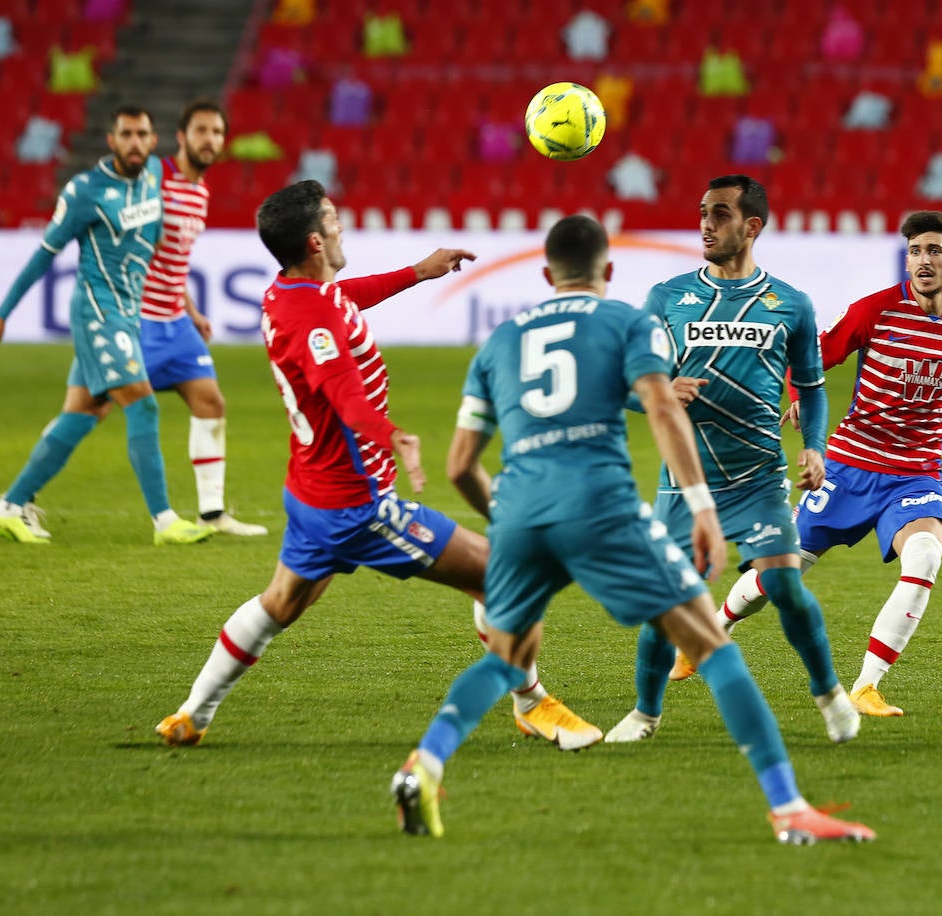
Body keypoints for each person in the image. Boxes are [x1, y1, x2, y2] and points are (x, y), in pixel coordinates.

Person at [390, 214, 874, 845]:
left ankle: (423, 764)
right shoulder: (625, 321)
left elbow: (459, 465)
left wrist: (505, 519)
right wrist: (701, 507)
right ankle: (788, 808)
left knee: (507, 657)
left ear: (544, 274)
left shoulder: (501, 339)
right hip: (602, 510)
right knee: (710, 645)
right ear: (608, 272)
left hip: (522, 514)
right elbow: (664, 409)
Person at [156, 181, 601, 750]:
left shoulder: (289, 294)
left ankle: (193, 713)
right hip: (358, 505)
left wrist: (417, 271)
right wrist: (391, 435)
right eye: (335, 220)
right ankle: (532, 704)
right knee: (500, 576)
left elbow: (345, 299)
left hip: (310, 493)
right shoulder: (313, 321)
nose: (343, 227)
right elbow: (343, 393)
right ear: (315, 239)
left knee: (280, 604)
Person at [604, 175, 860, 745]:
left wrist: (814, 446)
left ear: (751, 226)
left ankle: (830, 696)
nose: (705, 224)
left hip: (759, 479)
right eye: (702, 212)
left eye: (719, 214)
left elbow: (813, 388)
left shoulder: (790, 304)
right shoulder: (666, 297)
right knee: (664, 603)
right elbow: (623, 384)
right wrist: (659, 394)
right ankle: (645, 715)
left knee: (786, 586)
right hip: (684, 482)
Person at [715, 211, 942, 716]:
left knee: (926, 557)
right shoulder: (875, 311)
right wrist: (802, 395)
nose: (923, 260)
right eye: (914, 250)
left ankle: (866, 686)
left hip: (915, 473)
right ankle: (714, 631)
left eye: (934, 250)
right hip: (849, 465)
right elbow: (810, 357)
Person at [0, 104, 214, 546]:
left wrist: (190, 307)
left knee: (83, 413)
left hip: (128, 312)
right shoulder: (85, 191)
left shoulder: (150, 182)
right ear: (112, 140)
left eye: (143, 134)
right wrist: (2, 314)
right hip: (97, 314)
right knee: (143, 404)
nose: (135, 143)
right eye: (126, 134)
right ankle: (165, 520)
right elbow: (44, 254)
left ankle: (8, 507)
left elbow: (160, 258)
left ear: (152, 140)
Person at [139, 98, 266, 536]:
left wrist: (192, 311)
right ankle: (18, 499)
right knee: (89, 409)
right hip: (139, 320)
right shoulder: (155, 178)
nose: (209, 139)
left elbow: (173, 262)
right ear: (182, 135)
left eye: (216, 132)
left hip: (176, 322)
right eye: (201, 130)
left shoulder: (200, 193)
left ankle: (212, 513)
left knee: (210, 402)